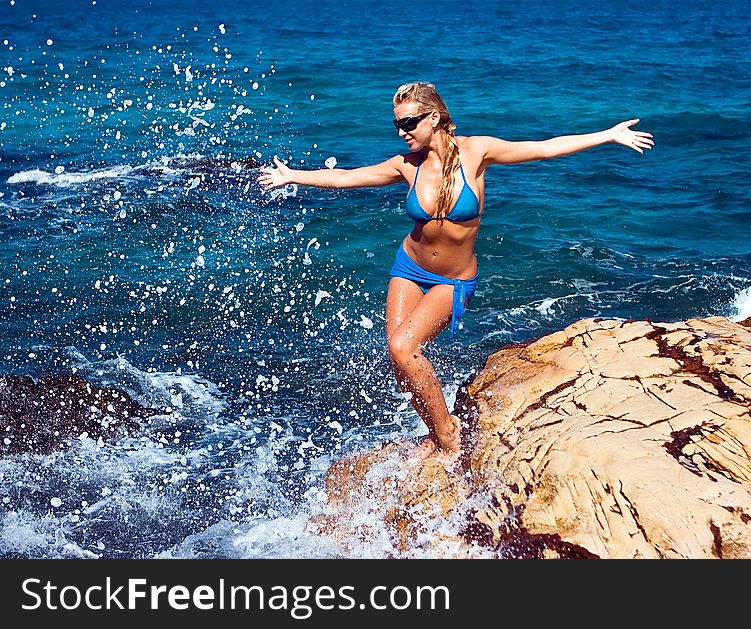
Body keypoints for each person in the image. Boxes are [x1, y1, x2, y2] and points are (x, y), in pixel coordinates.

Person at [258, 81, 653, 459]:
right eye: (397, 124)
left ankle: (448, 434)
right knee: (400, 359)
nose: (402, 132)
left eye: (409, 122)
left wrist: (607, 135)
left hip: (453, 279)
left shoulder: (477, 153)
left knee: (403, 347)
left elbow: (544, 148)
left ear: (434, 117)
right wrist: (293, 175)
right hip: (409, 266)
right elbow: (347, 178)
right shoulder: (406, 165)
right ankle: (436, 430)